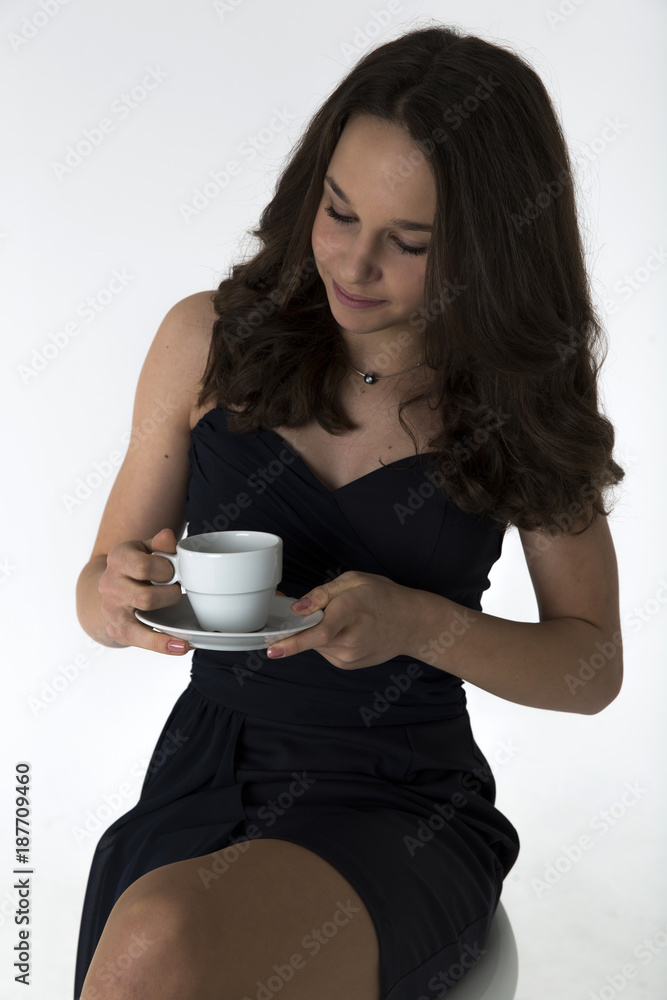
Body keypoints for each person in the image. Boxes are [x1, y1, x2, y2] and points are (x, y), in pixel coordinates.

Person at [73, 22, 624, 1000]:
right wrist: (116, 598)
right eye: (338, 212)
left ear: (486, 252)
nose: (353, 264)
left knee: (155, 943)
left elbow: (590, 669)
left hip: (397, 800)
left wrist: (419, 625)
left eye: (407, 243)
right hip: (200, 771)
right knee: (150, 941)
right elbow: (98, 584)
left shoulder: (515, 398)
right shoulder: (204, 340)